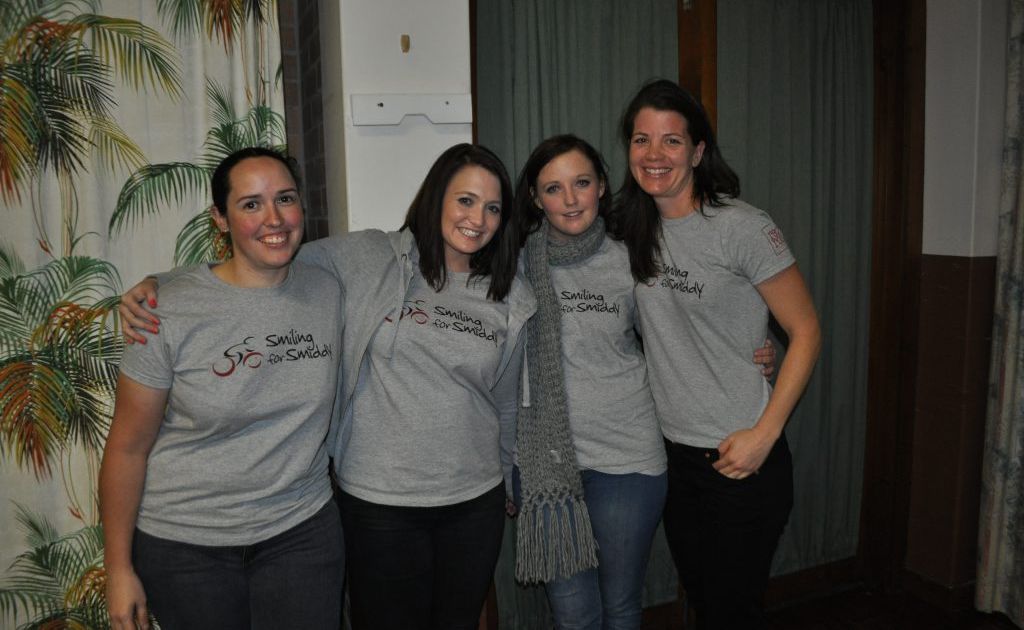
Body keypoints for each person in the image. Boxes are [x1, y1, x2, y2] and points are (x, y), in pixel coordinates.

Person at [118, 143, 535, 630]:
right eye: (465, 200)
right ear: (437, 198)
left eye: (492, 208)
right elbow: (267, 253)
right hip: (380, 503)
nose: (477, 218)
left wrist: (505, 472)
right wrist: (159, 284)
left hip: (473, 501)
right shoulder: (371, 255)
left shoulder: (508, 291)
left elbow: (505, 400)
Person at [512, 135, 776, 630]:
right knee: (573, 615)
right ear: (534, 198)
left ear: (603, 187)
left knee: (620, 607)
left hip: (628, 460)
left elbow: (689, 324)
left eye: (582, 183)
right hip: (545, 464)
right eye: (553, 188)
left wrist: (755, 353)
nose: (570, 200)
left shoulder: (633, 255)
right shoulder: (514, 266)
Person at [100, 147, 345, 630]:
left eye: (285, 199)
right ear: (220, 218)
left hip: (301, 533)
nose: (273, 218)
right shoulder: (165, 311)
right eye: (251, 204)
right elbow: (127, 448)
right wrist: (118, 569)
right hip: (186, 546)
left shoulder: (329, 288)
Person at [612, 79, 822, 630]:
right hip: (673, 459)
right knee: (707, 602)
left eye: (671, 141)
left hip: (741, 456)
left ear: (699, 151)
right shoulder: (630, 228)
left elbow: (806, 331)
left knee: (732, 612)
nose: (654, 155)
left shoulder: (742, 227)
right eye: (641, 140)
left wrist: (765, 433)